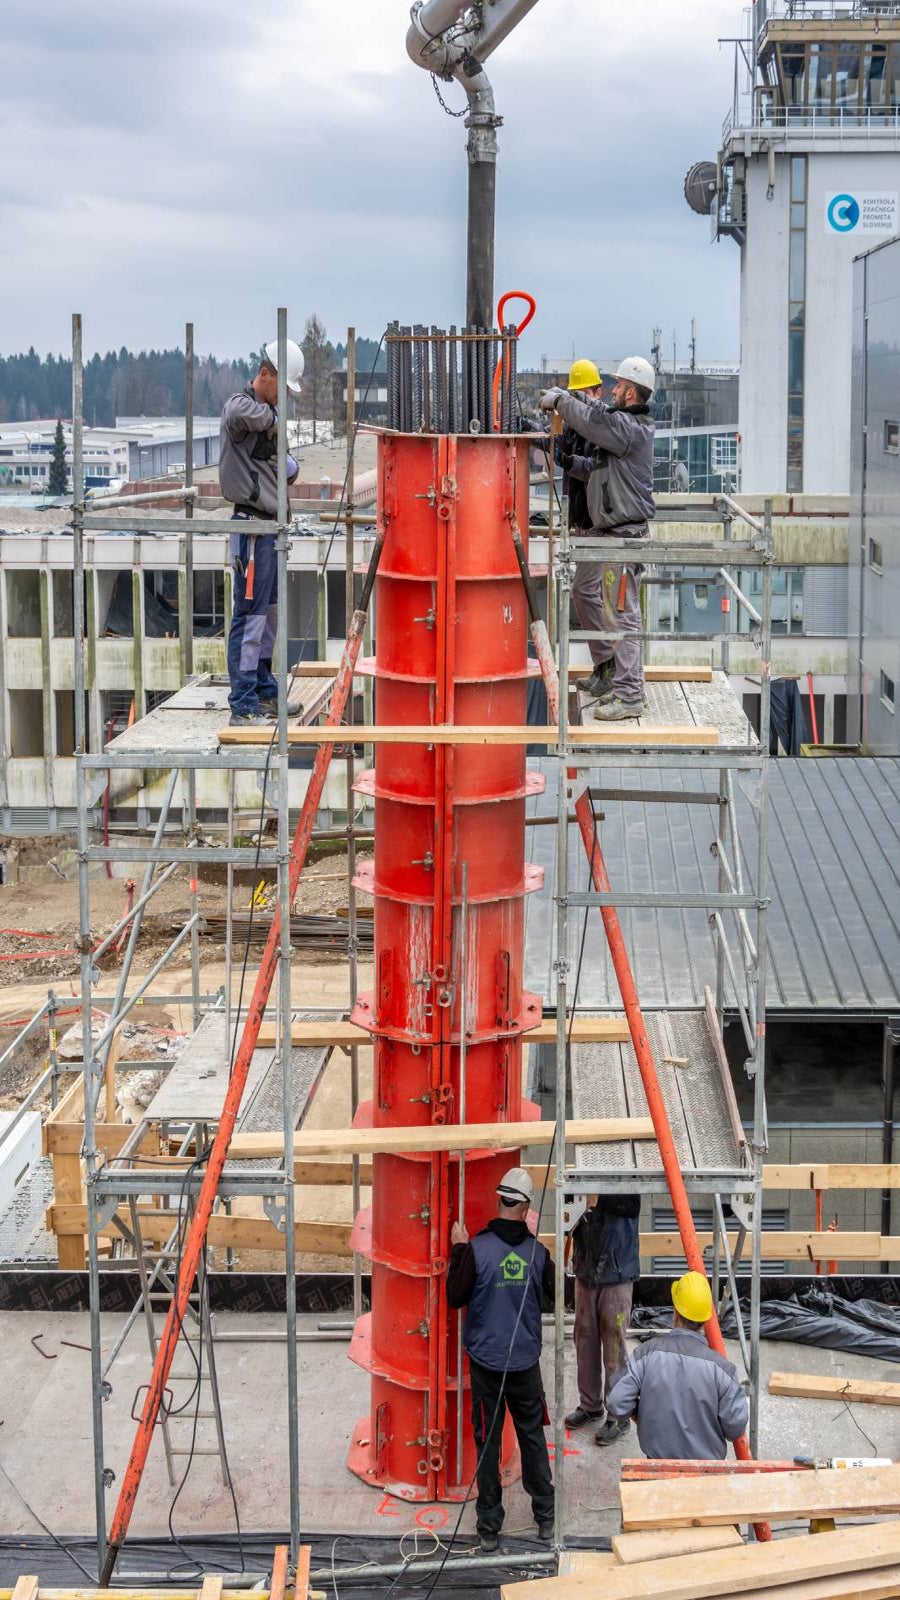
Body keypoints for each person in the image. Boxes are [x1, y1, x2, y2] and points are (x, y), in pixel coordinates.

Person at [541, 357, 656, 721]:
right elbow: (596, 469)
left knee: (622, 614)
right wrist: (569, 461)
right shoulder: (622, 430)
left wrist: (561, 400)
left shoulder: (629, 429)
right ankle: (608, 668)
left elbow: (596, 419)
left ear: (632, 392)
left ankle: (630, 694)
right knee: (584, 591)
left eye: (620, 385)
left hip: (623, 538)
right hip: (606, 534)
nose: (614, 390)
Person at [447, 1166, 555, 1552]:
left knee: (488, 1443)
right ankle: (546, 1518)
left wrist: (459, 1249)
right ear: (526, 1207)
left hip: (486, 1365)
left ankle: (489, 1528)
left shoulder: (476, 1249)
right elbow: (556, 1298)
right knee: (532, 1438)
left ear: (499, 1200)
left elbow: (455, 1297)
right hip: (525, 1364)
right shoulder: (538, 1254)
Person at [219, 339, 304, 727]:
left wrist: (283, 459)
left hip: (269, 529)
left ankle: (264, 689)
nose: (283, 398)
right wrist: (273, 423)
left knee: (267, 616)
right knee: (250, 617)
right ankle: (243, 703)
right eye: (281, 389)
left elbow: (283, 468)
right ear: (265, 375)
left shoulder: (264, 415)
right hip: (251, 528)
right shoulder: (242, 407)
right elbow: (237, 411)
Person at [605, 1270, 748, 1459]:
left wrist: (639, 1411)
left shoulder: (646, 1354)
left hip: (657, 1465)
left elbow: (616, 1401)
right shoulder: (723, 1370)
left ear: (675, 1313)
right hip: (706, 1475)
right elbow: (735, 1427)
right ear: (706, 1319)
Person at [554, 360, 612, 699]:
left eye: (584, 394)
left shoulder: (602, 426)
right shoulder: (576, 426)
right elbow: (561, 452)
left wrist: (568, 462)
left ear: (597, 392)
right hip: (584, 521)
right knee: (593, 595)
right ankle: (605, 666)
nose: (579, 402)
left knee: (584, 591)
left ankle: (609, 666)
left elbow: (595, 471)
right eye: (574, 396)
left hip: (599, 523)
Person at [564, 1192, 640, 1446]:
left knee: (614, 1348)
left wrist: (598, 1199)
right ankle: (590, 1406)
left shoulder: (626, 1171)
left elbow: (632, 1205)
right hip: (586, 1271)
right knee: (584, 1343)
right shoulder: (581, 1170)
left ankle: (619, 1415)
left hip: (617, 1274)